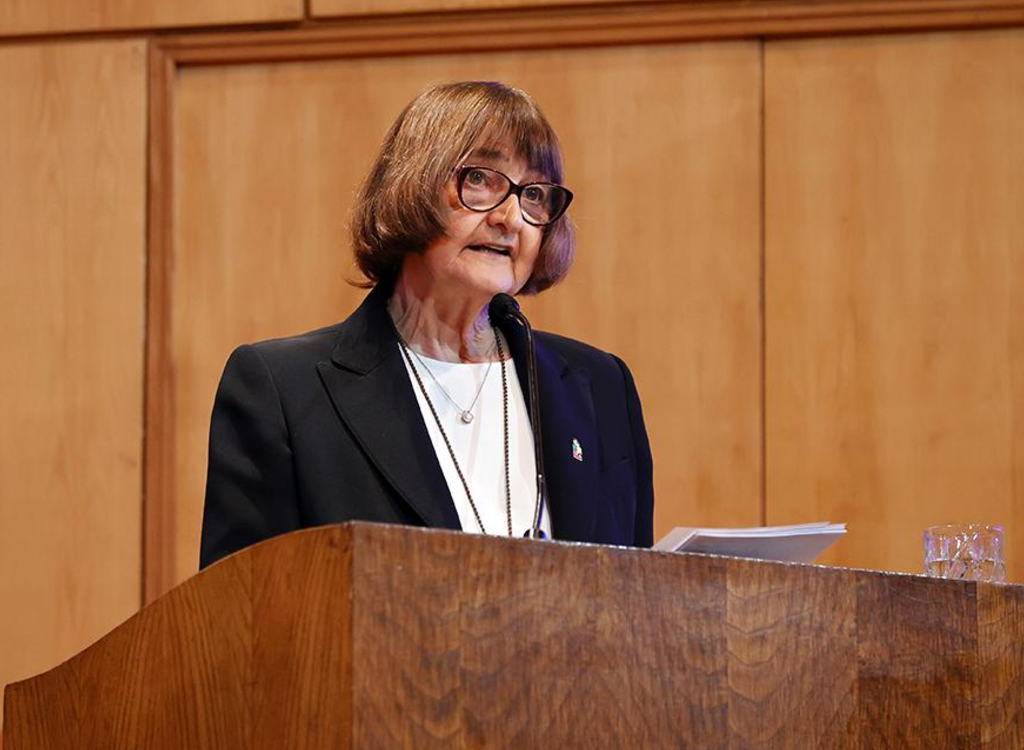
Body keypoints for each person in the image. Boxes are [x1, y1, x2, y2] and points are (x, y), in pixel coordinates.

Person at [199, 81, 653, 569]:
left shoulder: (600, 387)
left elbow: (638, 594)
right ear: (411, 184)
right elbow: (243, 604)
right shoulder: (285, 390)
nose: (510, 218)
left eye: (534, 194)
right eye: (480, 179)